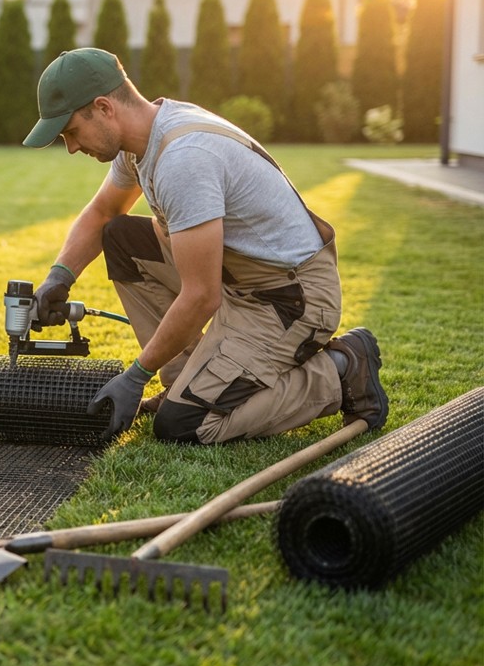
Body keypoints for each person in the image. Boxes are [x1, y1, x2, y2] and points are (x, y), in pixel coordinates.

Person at [23, 47, 387, 443]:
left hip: (290, 300)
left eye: (71, 132)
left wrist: (135, 377)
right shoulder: (141, 140)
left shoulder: (184, 158)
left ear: (104, 107)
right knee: (121, 238)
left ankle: (341, 368)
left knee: (184, 425)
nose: (72, 147)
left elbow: (201, 296)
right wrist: (59, 277)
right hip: (240, 280)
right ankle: (184, 382)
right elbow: (102, 213)